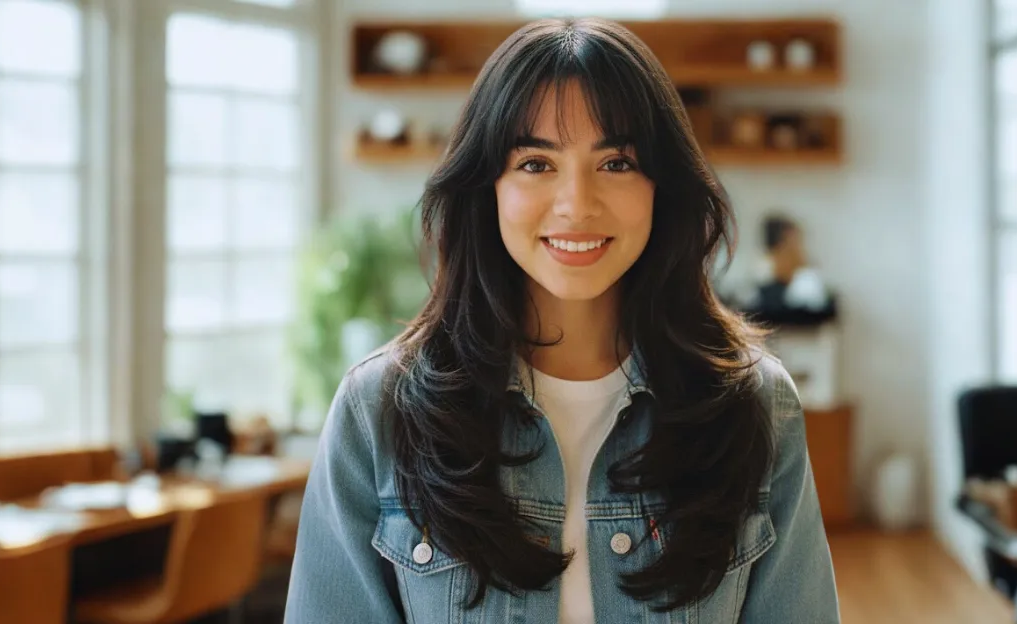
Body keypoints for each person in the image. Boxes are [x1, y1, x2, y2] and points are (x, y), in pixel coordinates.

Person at [286, 17, 839, 624]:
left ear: (663, 186)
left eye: (618, 162)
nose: (577, 204)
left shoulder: (755, 404)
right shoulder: (378, 411)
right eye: (535, 164)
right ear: (486, 186)